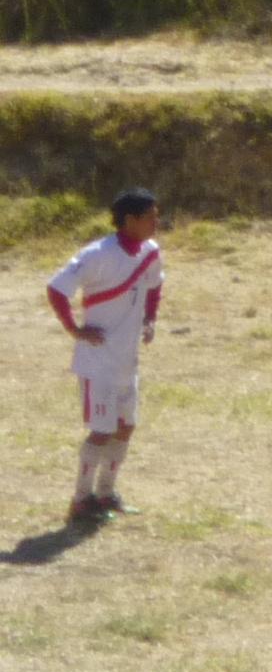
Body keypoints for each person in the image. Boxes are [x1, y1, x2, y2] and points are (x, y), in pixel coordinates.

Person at [43, 186, 165, 524]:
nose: (157, 223)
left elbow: (155, 285)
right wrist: (74, 329)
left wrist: (150, 319)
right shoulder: (97, 254)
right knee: (101, 430)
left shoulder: (150, 252)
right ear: (130, 220)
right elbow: (56, 288)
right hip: (98, 362)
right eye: (151, 217)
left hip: (127, 360)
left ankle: (107, 493)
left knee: (126, 427)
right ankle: (81, 500)